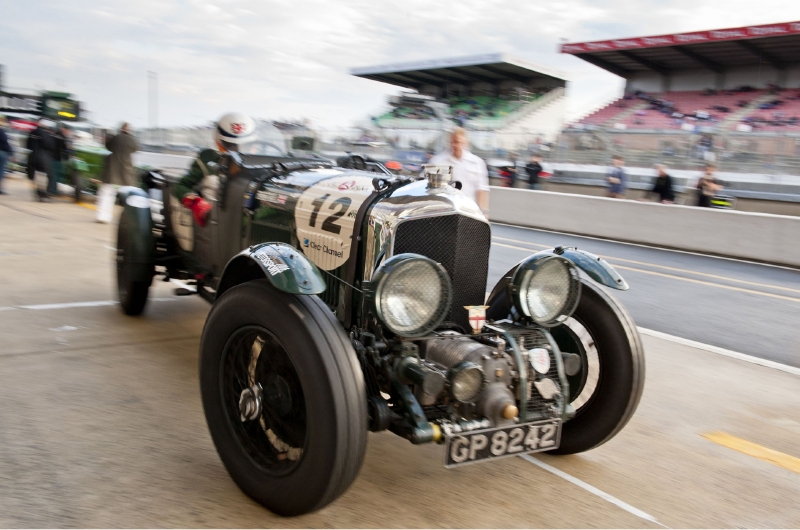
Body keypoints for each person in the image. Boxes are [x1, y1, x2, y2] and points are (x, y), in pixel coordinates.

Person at [173, 112, 256, 226]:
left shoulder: (261, 165)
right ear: (220, 142)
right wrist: (195, 202)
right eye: (229, 145)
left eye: (243, 145)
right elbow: (181, 186)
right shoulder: (208, 160)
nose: (236, 149)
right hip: (215, 223)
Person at [429, 127, 489, 215]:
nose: (455, 145)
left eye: (458, 142)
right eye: (453, 142)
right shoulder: (437, 161)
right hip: (443, 212)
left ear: (466, 143)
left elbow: (481, 190)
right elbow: (426, 185)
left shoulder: (477, 163)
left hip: (470, 211)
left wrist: (484, 212)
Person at [97, 123, 139, 223]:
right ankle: (130, 219)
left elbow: (108, 146)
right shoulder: (132, 140)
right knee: (129, 196)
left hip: (112, 169)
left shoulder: (115, 138)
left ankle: (102, 216)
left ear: (120, 130)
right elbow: (135, 149)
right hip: (126, 170)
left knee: (106, 193)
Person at [27, 120, 57, 201]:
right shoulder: (45, 133)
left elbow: (28, 145)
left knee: (36, 176)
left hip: (33, 156)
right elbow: (49, 145)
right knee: (45, 176)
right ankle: (43, 195)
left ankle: (38, 193)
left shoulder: (32, 132)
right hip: (42, 158)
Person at [0, 116, 13, 195]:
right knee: (1, 171)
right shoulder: (2, 131)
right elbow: (5, 143)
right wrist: (10, 152)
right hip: (2, 152)